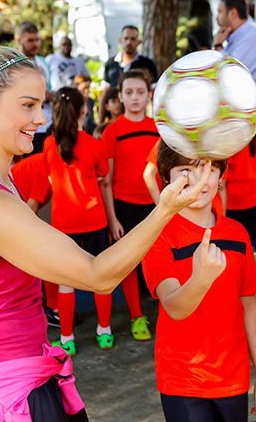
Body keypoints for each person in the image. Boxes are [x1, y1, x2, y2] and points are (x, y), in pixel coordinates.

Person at [0, 45, 210, 421]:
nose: (40, 119)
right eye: (28, 105)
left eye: (41, 105)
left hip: (21, 375)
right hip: (8, 394)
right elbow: (98, 275)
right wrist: (166, 209)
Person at [143, 141, 256, 422]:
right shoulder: (156, 235)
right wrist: (200, 279)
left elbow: (249, 305)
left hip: (234, 378)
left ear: (222, 174)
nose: (201, 180)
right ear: (166, 176)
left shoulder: (238, 234)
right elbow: (174, 306)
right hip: (183, 380)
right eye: (186, 170)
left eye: (209, 169)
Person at [43, 87, 116, 353]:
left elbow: (51, 179)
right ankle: (104, 331)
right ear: (84, 112)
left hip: (63, 225)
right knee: (102, 278)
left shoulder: (49, 145)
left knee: (66, 283)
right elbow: (104, 178)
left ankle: (66, 339)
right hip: (95, 221)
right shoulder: (95, 145)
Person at [214, 0, 256, 265]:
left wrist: (217, 45)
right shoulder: (241, 37)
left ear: (232, 13)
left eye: (220, 12)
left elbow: (224, 72)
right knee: (248, 182)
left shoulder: (251, 37)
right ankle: (247, 242)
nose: (217, 18)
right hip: (245, 123)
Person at [100, 70, 160, 341]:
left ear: (149, 95)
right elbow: (107, 180)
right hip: (125, 206)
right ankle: (137, 316)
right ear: (120, 97)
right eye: (129, 92)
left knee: (160, 259)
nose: (135, 97)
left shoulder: (159, 127)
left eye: (140, 92)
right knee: (129, 264)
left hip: (157, 204)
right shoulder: (112, 132)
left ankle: (170, 308)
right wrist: (112, 218)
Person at [15, 21, 52, 152]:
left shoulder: (43, 62)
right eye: (30, 40)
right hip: (24, 128)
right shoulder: (13, 64)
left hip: (45, 125)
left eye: (37, 40)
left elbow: (49, 90)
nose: (35, 44)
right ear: (19, 39)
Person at [225, 130, 256, 247]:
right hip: (255, 197)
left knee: (234, 246)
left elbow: (222, 179)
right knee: (248, 244)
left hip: (234, 201)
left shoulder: (231, 139)